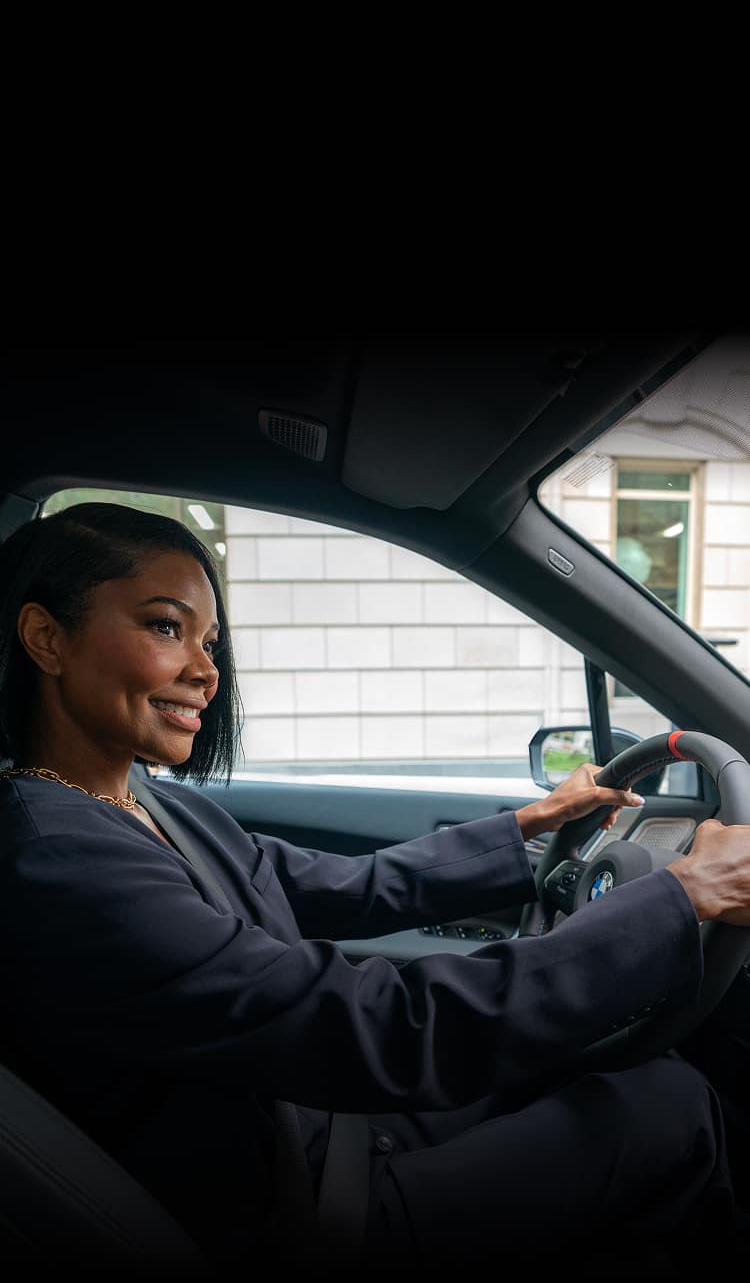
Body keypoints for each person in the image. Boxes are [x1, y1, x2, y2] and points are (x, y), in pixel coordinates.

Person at [0, 502, 747, 1274]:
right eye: (166, 627)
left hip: (317, 1129)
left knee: (617, 1072)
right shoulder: (61, 861)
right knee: (670, 1107)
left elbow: (346, 884)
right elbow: (382, 1029)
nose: (206, 671)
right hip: (304, 1207)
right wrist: (680, 898)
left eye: (209, 642)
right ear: (46, 638)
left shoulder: (144, 803)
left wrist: (533, 821)